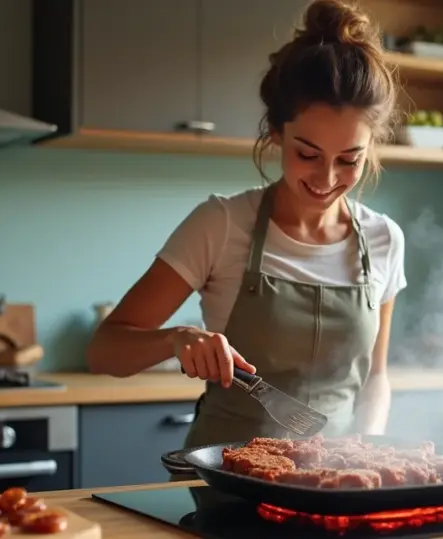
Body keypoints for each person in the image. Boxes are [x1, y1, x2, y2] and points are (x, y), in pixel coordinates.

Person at [86, 0, 407, 454]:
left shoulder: (384, 240)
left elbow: (376, 377)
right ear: (276, 133)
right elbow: (104, 352)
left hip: (337, 482)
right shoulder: (220, 224)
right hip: (229, 483)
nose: (327, 178)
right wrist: (177, 340)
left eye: (349, 160)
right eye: (308, 154)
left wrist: (366, 449)